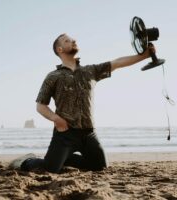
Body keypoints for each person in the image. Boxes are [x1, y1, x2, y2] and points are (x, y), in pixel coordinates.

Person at [9, 33, 154, 173]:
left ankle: (63, 158)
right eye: (67, 41)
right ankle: (27, 160)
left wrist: (145, 55)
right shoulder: (53, 76)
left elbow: (117, 63)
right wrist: (57, 120)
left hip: (89, 133)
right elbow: (40, 106)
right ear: (59, 50)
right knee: (50, 169)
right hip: (65, 134)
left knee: (99, 167)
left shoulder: (90, 71)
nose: (73, 40)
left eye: (72, 39)